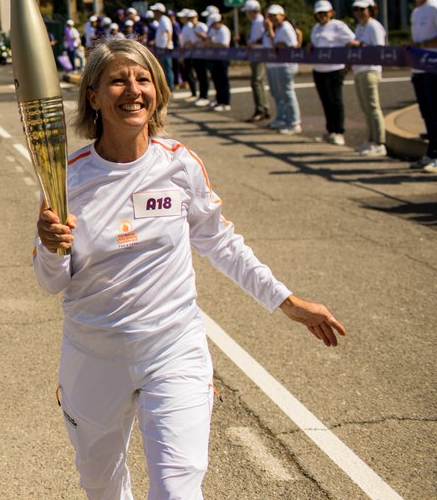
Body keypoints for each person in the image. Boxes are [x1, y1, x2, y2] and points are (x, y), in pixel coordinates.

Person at [33, 38, 345, 500]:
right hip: (93, 355)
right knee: (100, 485)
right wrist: (51, 250)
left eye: (143, 79)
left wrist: (286, 301)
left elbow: (221, 242)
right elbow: (50, 282)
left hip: (173, 349)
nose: (132, 90)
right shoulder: (66, 178)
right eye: (118, 79)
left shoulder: (179, 165)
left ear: (157, 89)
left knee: (178, 492)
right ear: (93, 96)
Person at [308, 0, 355, 146]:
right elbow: (315, 45)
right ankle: (330, 131)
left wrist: (349, 61)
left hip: (335, 69)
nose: (322, 15)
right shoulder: (316, 28)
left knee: (335, 101)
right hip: (319, 69)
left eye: (324, 12)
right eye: (319, 13)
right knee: (325, 101)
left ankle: (339, 131)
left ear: (331, 13)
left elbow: (352, 41)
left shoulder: (338, 26)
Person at [350, 0, 388, 157]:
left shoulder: (374, 26)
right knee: (365, 107)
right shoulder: (359, 27)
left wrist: (359, 45)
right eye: (356, 9)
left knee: (373, 106)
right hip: (359, 70)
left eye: (362, 9)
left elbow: (379, 49)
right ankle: (371, 139)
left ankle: (380, 142)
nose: (359, 12)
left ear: (370, 10)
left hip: (370, 70)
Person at [408, 0, 437, 172]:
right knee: (427, 114)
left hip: (433, 68)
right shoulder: (416, 11)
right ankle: (431, 153)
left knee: (436, 113)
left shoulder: (434, 8)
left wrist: (420, 44)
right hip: (419, 70)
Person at [263, 4, 302, 135]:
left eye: (275, 15)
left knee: (287, 93)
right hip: (276, 64)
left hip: (285, 65)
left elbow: (291, 45)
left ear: (282, 16)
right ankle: (283, 119)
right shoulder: (278, 28)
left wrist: (278, 43)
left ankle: (294, 122)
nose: (273, 18)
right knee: (278, 93)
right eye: (271, 16)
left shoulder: (285, 27)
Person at [243, 0, 271, 122]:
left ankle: (261, 110)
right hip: (256, 53)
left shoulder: (259, 21)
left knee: (257, 81)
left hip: (259, 53)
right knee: (258, 82)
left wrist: (253, 43)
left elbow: (263, 38)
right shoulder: (256, 21)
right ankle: (262, 108)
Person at [205, 12, 232, 111]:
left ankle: (225, 102)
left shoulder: (223, 30)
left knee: (223, 80)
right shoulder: (213, 30)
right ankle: (219, 99)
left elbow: (224, 45)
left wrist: (211, 44)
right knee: (216, 80)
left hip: (222, 58)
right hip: (214, 58)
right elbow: (208, 40)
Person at [148, 3, 174, 86]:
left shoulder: (164, 19)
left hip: (165, 48)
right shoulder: (161, 20)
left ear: (158, 12)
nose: (153, 13)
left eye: (155, 11)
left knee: (167, 68)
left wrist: (167, 44)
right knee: (164, 68)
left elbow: (168, 32)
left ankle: (170, 87)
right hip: (162, 48)